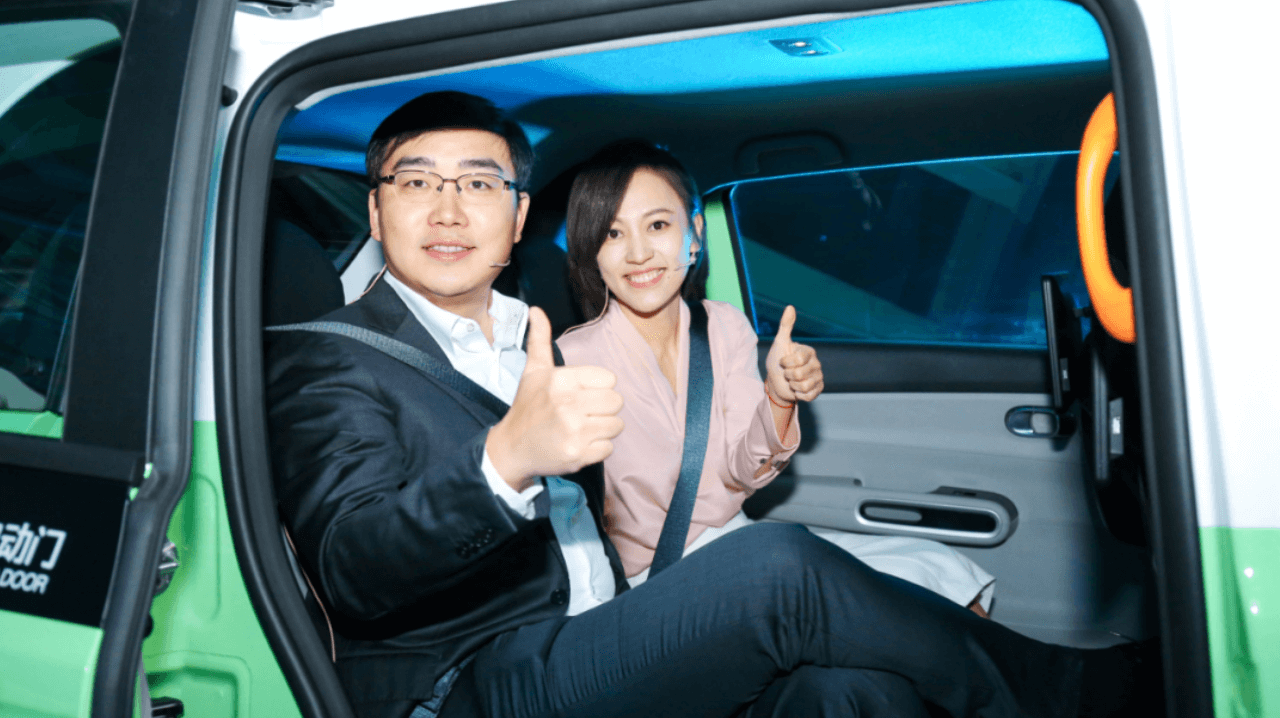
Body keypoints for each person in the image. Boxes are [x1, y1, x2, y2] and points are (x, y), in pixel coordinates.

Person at [265, 90, 1159, 718]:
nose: (448, 209)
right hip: (471, 682)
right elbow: (353, 565)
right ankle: (1077, 697)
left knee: (855, 695)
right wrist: (506, 461)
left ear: (518, 213)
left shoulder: (530, 334)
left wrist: (773, 401)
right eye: (417, 183)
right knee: (772, 566)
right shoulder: (328, 358)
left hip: (600, 637)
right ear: (377, 214)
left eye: (477, 183)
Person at [557, 140, 995, 616]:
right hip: (655, 581)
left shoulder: (723, 326)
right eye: (613, 233)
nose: (639, 253)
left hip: (743, 542)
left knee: (938, 570)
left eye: (657, 225)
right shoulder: (570, 361)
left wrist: (779, 399)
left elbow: (742, 472)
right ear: (592, 251)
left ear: (695, 234)